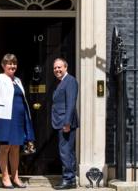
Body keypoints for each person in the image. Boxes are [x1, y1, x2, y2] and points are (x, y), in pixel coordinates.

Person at [0, 53, 35, 189]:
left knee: (15, 147)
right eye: (9, 63)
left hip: (18, 119)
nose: (12, 66)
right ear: (3, 65)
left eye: (14, 63)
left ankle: (16, 177)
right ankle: (5, 177)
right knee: (5, 147)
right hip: (5, 117)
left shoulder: (18, 80)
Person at [51, 58, 79, 190]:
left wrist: (67, 122)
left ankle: (68, 179)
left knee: (65, 151)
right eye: (55, 68)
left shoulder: (70, 81)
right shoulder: (61, 82)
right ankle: (71, 179)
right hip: (61, 122)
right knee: (68, 151)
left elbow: (71, 103)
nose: (57, 70)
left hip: (65, 123)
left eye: (59, 67)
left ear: (66, 67)